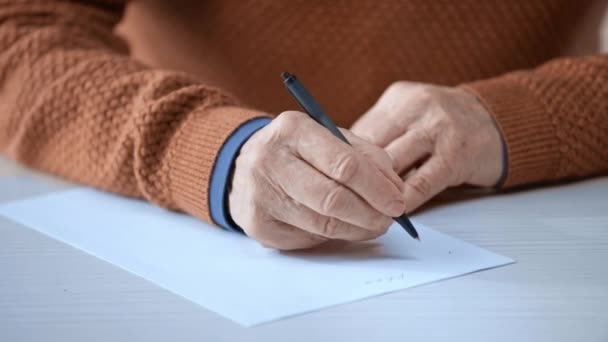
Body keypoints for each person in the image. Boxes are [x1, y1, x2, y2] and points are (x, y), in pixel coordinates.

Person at [1, 1, 606, 250]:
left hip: (535, 235)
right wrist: (209, 148)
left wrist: (521, 116)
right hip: (177, 238)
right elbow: (15, 33)